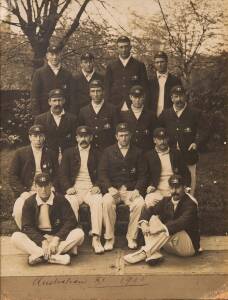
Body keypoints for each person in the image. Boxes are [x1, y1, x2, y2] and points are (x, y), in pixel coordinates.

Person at [124, 174, 200, 265]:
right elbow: (149, 211)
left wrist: (161, 228)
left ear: (184, 187)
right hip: (170, 246)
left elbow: (182, 223)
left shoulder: (190, 203)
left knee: (169, 228)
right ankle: (153, 253)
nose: (174, 191)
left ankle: (144, 253)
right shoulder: (166, 200)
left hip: (188, 247)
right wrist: (144, 223)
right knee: (152, 218)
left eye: (177, 187)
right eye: (172, 188)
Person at [11, 173, 84, 266]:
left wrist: (56, 239)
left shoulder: (60, 199)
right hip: (39, 238)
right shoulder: (29, 202)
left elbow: (71, 221)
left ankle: (39, 255)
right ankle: (55, 257)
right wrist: (42, 241)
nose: (43, 190)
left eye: (46, 186)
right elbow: (27, 226)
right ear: (35, 187)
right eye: (40, 186)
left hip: (57, 237)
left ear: (51, 185)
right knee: (15, 237)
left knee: (79, 233)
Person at [98, 123, 147, 251]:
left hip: (131, 190)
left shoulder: (138, 152)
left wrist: (137, 189)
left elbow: (143, 175)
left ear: (130, 136)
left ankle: (132, 237)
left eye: (126, 135)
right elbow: (102, 173)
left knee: (140, 203)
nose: (124, 138)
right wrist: (109, 188)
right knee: (107, 201)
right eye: (121, 136)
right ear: (116, 136)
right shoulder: (108, 151)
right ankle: (109, 238)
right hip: (114, 190)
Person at [59, 126, 104, 254]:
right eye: (81, 136)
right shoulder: (68, 153)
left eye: (86, 136)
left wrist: (97, 185)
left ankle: (96, 238)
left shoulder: (98, 153)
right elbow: (62, 174)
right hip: (75, 188)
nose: (83, 139)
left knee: (97, 201)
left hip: (91, 188)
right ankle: (73, 239)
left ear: (91, 137)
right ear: (76, 138)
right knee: (69, 201)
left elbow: (102, 173)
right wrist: (68, 187)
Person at [159, 85, 208, 195]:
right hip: (171, 155)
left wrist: (196, 143)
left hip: (189, 155)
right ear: (171, 98)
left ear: (185, 97)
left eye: (181, 96)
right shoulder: (166, 114)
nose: (179, 99)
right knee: (172, 184)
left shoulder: (194, 113)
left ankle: (190, 205)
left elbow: (206, 130)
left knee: (189, 185)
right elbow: (158, 130)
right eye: (176, 96)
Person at [9, 125, 58, 229]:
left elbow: (57, 175)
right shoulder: (20, 153)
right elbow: (12, 176)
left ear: (44, 137)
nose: (38, 139)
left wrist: (52, 186)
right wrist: (22, 192)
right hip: (28, 191)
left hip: (46, 190)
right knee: (18, 209)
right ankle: (26, 233)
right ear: (30, 137)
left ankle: (46, 233)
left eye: (41, 136)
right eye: (35, 136)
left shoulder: (51, 153)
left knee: (52, 209)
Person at [144, 127, 191, 207]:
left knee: (191, 202)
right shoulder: (149, 155)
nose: (162, 142)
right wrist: (149, 185)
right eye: (159, 139)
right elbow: (145, 175)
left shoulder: (176, 153)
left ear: (168, 139)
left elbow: (186, 173)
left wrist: (186, 186)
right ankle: (155, 219)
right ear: (154, 140)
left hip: (174, 188)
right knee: (149, 200)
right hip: (157, 190)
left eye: (164, 139)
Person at [104, 36, 149, 111]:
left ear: (130, 47)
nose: (124, 50)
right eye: (121, 47)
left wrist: (144, 106)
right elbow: (107, 88)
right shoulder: (111, 66)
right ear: (117, 48)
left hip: (134, 107)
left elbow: (145, 88)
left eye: (126, 47)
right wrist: (107, 105)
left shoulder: (139, 65)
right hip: (115, 106)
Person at [34, 89, 77, 162]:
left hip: (68, 157)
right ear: (49, 102)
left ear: (64, 101)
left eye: (59, 100)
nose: (57, 103)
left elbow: (75, 140)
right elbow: (36, 139)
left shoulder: (72, 119)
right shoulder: (40, 119)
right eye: (54, 101)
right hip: (47, 156)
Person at [31, 44, 75, 115]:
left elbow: (72, 97)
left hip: (64, 115)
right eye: (52, 54)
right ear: (47, 56)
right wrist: (37, 116)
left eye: (57, 54)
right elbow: (34, 96)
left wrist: (71, 115)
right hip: (44, 114)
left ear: (60, 55)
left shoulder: (67, 74)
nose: (54, 57)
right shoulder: (39, 73)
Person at [79, 79, 119, 150]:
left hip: (107, 150)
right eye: (93, 91)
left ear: (103, 92)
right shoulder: (83, 111)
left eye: (98, 91)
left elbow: (116, 132)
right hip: (90, 151)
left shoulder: (112, 109)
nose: (96, 94)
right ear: (89, 93)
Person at [120, 85, 157, 151]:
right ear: (130, 97)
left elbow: (154, 135)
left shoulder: (151, 115)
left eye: (140, 97)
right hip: (130, 151)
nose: (137, 100)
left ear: (144, 97)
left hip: (146, 151)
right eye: (135, 97)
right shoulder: (123, 115)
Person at [146, 51, 182, 117]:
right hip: (153, 117)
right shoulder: (149, 81)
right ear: (154, 64)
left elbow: (180, 99)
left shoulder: (175, 80)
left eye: (162, 62)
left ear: (167, 62)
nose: (159, 64)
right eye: (157, 62)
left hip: (170, 117)